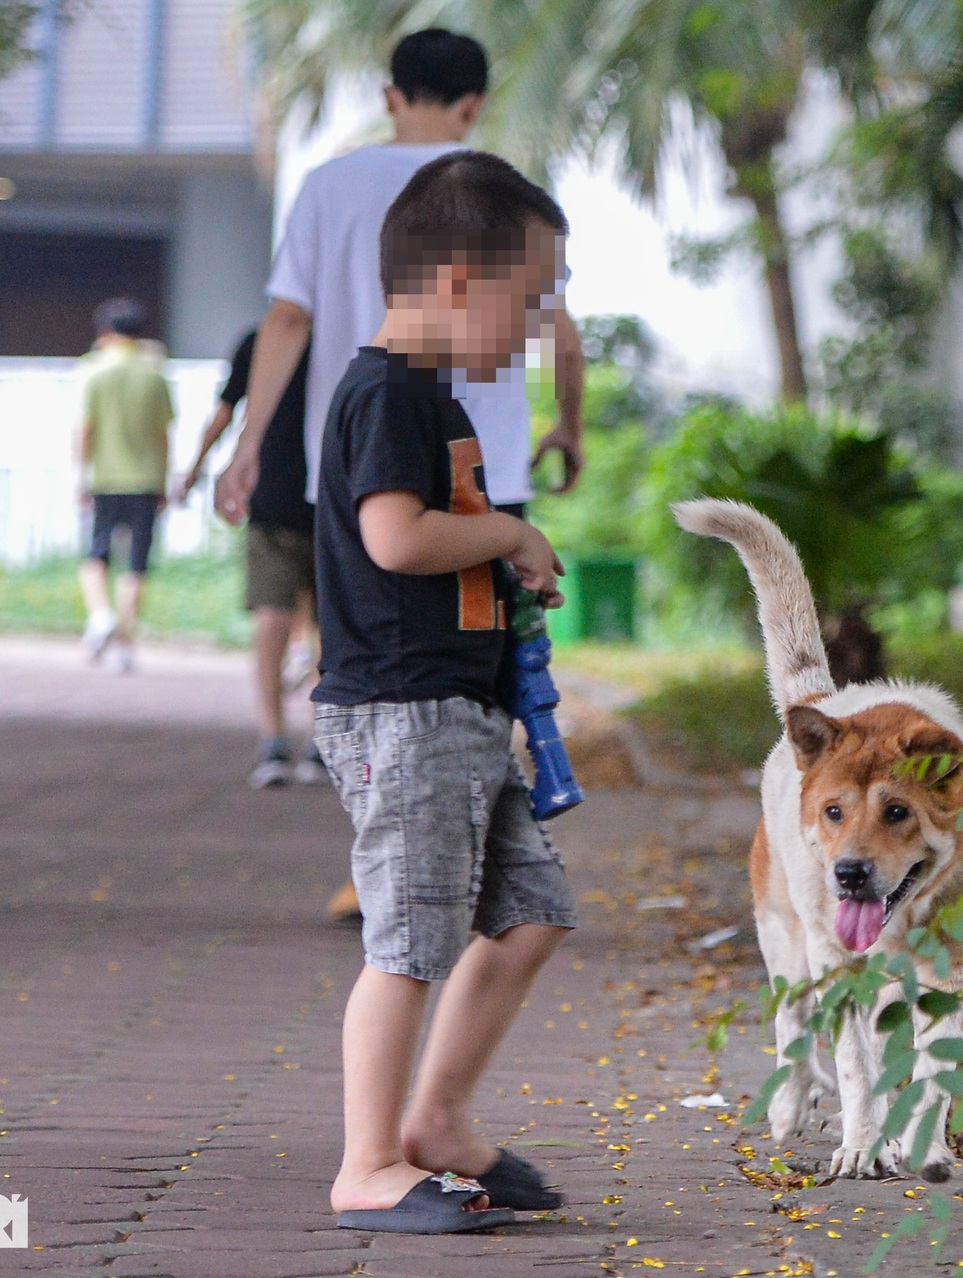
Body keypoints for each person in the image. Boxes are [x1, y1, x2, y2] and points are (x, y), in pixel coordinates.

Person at [216, 27, 586, 922]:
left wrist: (249, 442)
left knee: (359, 653)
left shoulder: (328, 185)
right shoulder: (497, 193)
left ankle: (402, 854)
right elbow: (560, 328)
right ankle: (411, 864)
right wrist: (568, 425)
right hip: (480, 470)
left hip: (346, 464)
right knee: (469, 664)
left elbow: (286, 325)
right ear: (476, 103)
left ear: (390, 96)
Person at [313, 151, 575, 1234]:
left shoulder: (434, 399)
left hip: (461, 714)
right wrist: (508, 529)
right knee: (410, 937)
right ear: (459, 281)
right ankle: (367, 1161)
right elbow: (395, 536)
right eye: (530, 299)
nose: (536, 328)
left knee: (529, 914)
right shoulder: (384, 392)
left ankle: (437, 1119)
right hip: (404, 713)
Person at [176, 331, 328, 788]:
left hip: (289, 501)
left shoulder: (264, 339)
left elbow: (223, 413)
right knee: (324, 625)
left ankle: (278, 738)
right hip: (326, 503)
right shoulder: (348, 329)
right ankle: (306, 739)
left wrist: (196, 470)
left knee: (276, 619)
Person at [77, 298, 174, 674]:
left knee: (95, 557)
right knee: (136, 565)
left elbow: (85, 428)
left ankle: (101, 615)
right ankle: (125, 645)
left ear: (104, 331)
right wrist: (166, 478)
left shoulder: (93, 371)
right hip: (146, 479)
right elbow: (165, 434)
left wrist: (80, 476)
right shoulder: (154, 374)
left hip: (104, 477)